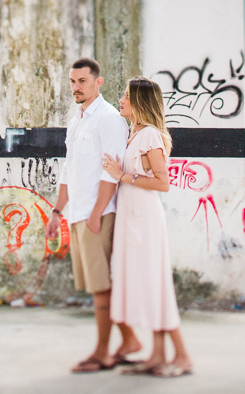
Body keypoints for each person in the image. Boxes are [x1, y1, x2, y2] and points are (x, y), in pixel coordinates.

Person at [44, 58, 142, 373]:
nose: (76, 87)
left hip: (98, 214)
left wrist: (97, 213)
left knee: (101, 286)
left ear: (97, 83)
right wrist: (57, 211)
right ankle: (130, 342)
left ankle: (102, 352)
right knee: (97, 286)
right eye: (73, 81)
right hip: (78, 212)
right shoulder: (77, 121)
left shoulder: (110, 119)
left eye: (82, 81)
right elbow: (69, 170)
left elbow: (110, 172)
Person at [102, 76, 194, 378]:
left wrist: (121, 175)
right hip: (131, 218)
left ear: (140, 102)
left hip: (145, 219)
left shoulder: (151, 136)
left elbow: (163, 183)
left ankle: (182, 356)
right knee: (144, 285)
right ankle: (157, 355)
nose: (121, 100)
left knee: (156, 286)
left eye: (127, 96)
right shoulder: (134, 133)